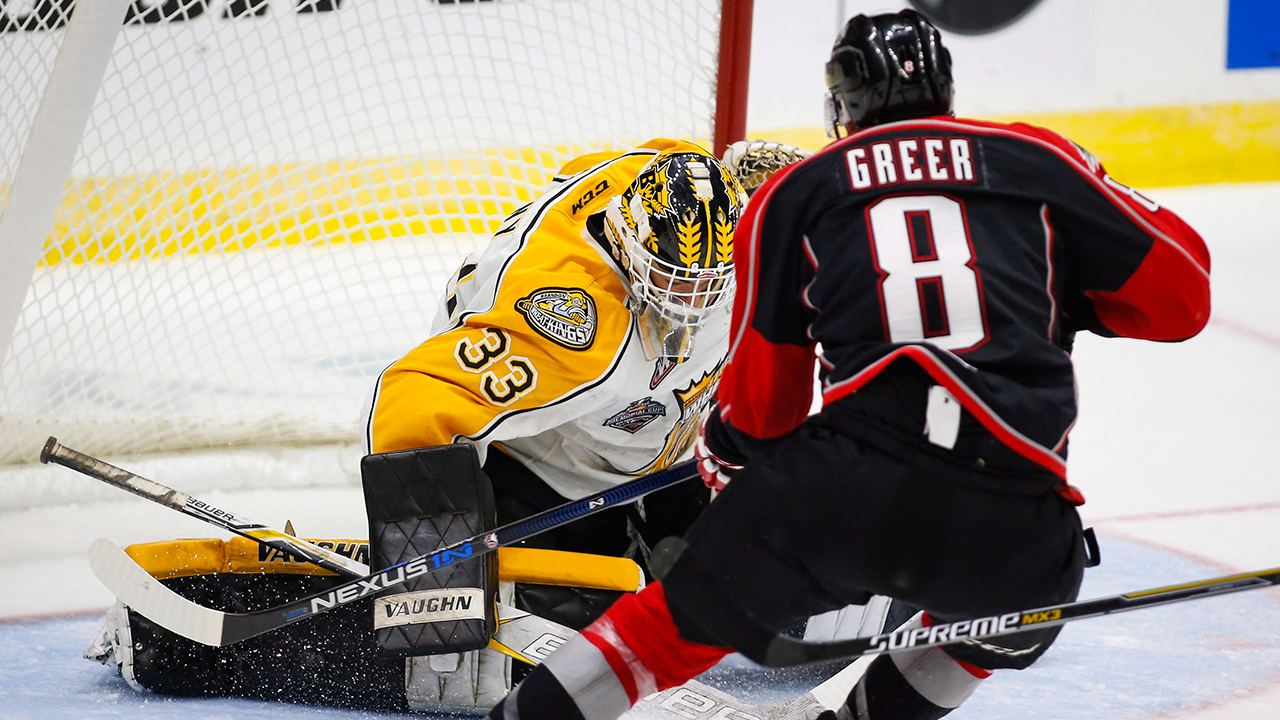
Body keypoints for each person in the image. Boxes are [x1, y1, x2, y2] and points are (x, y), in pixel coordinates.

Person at [485, 10, 1211, 720]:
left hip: (847, 496)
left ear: (843, 103)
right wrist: (1057, 295)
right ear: (946, 87)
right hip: (1022, 529)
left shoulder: (795, 193)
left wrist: (729, 509)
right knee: (995, 616)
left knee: (667, 629)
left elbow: (761, 416)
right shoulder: (1038, 159)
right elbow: (1185, 300)